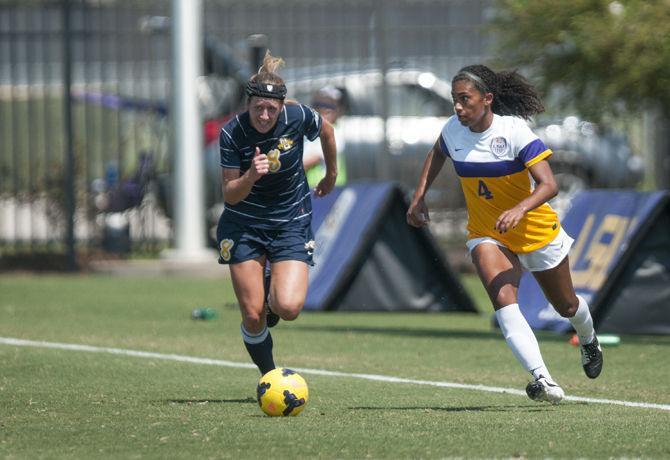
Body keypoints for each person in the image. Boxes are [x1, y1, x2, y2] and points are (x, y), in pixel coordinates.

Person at [406, 64, 603, 404]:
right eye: (455, 100)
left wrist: (519, 209)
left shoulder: (514, 132)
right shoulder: (453, 130)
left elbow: (550, 185)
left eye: (465, 99)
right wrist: (419, 195)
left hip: (535, 229)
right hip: (487, 232)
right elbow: (437, 153)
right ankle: (543, 379)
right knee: (503, 302)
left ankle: (589, 339)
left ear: (487, 99)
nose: (457, 107)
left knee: (566, 305)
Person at [217, 51, 338, 376]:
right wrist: (251, 176)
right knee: (253, 314)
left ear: (282, 106)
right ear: (248, 104)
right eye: (259, 108)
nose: (265, 115)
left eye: (272, 108)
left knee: (288, 307)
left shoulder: (299, 117)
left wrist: (331, 174)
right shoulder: (233, 133)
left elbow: (327, 131)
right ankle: (270, 376)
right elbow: (230, 194)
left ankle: (271, 288)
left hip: (290, 221)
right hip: (244, 224)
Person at [303, 86, 347, 188]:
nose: (325, 109)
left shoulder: (335, 133)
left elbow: (312, 160)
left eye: (330, 105)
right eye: (319, 104)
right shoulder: (310, 132)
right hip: (313, 189)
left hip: (328, 190)